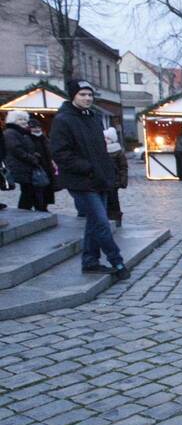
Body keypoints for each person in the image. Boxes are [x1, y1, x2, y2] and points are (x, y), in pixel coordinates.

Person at [51, 80, 129, 280]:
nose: (87, 98)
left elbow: (100, 150)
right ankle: (117, 261)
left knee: (94, 224)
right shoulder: (63, 120)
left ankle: (90, 261)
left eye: (89, 95)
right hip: (81, 181)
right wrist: (88, 168)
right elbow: (60, 153)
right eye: (82, 94)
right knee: (102, 223)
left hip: (99, 179)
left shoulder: (93, 117)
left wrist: (107, 172)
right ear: (73, 96)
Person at [4, 111, 49, 212]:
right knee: (28, 190)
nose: (24, 121)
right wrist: (32, 158)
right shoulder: (11, 133)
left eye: (25, 119)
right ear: (13, 121)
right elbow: (16, 150)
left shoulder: (22, 132)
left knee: (30, 190)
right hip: (21, 166)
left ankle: (30, 209)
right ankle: (24, 210)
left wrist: (34, 155)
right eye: (20, 119)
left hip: (26, 165)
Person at [27, 119, 55, 211]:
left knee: (47, 189)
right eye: (34, 127)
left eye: (38, 127)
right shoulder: (27, 139)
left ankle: (45, 206)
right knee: (38, 190)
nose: (37, 129)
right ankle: (40, 207)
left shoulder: (44, 138)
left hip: (47, 167)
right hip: (36, 167)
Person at [103, 127, 127, 228]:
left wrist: (122, 181)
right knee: (106, 201)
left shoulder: (118, 151)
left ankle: (116, 220)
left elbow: (123, 167)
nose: (105, 140)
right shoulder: (101, 149)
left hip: (114, 180)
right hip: (104, 180)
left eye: (107, 138)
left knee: (114, 201)